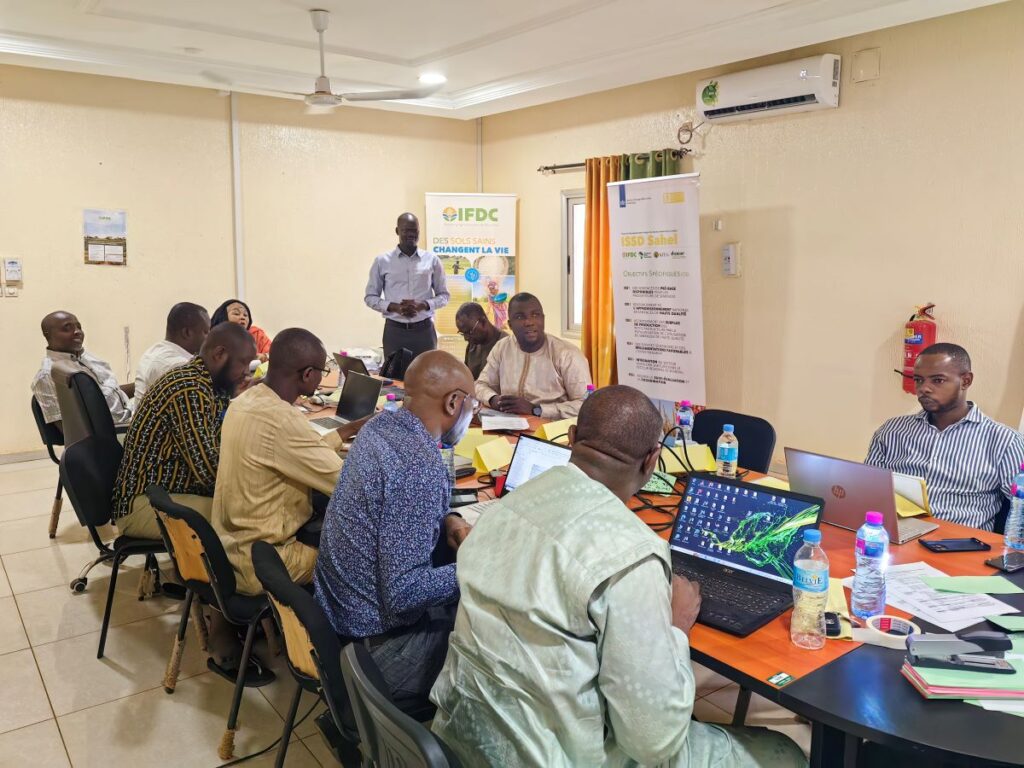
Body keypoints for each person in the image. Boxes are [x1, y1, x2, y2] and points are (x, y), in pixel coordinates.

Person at [430, 386, 807, 767]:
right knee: (786, 753)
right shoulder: (631, 554)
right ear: (652, 460)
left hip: (468, 738)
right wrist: (675, 628)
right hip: (557, 758)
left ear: (573, 437)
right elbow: (654, 743)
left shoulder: (502, 511)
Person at [314, 350, 474, 715]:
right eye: (472, 404)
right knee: (494, 639)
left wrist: (446, 518)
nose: (472, 413)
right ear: (453, 401)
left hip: (338, 622)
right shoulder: (419, 463)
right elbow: (404, 594)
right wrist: (480, 565)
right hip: (376, 653)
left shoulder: (379, 429)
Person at [213, 328, 364, 596]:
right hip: (266, 563)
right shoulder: (283, 420)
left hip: (229, 551)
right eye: (322, 370)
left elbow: (294, 449)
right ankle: (336, 635)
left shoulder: (245, 401)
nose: (322, 376)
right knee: (363, 560)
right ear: (307, 374)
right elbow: (350, 486)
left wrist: (343, 432)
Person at [111, 322, 256, 540]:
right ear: (219, 354)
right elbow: (209, 472)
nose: (246, 372)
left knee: (253, 501)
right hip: (144, 504)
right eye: (243, 363)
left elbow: (222, 439)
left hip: (172, 490)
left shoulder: (209, 384)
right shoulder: (188, 388)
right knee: (250, 515)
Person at [867, 343, 1024, 530]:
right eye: (918, 380)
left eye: (937, 380)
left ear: (965, 381)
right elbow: (868, 490)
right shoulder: (892, 431)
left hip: (961, 548)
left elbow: (1020, 510)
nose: (924, 388)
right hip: (897, 537)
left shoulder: (1004, 441)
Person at [475, 292, 592, 418]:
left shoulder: (568, 354)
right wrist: (493, 399)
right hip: (508, 425)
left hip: (551, 431)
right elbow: (480, 385)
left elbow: (587, 404)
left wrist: (537, 410)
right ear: (510, 325)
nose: (529, 322)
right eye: (520, 317)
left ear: (543, 319)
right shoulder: (502, 348)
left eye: (535, 315)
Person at [364, 213, 450, 360]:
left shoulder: (432, 261)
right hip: (395, 331)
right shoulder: (382, 261)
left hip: (424, 332)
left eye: (414, 230)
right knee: (395, 379)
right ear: (397, 231)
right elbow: (370, 297)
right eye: (406, 230)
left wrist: (424, 304)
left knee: (427, 378)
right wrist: (394, 307)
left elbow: (444, 295)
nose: (411, 234)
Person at [31, 310, 133, 431]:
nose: (77, 332)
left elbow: (108, 395)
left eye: (79, 327)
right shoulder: (49, 375)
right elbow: (70, 432)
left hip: (129, 417)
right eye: (67, 328)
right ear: (48, 335)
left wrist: (144, 384)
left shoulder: (86, 358)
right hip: (115, 432)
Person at [133, 302, 210, 405]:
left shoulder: (154, 351)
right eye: (206, 332)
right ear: (187, 333)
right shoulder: (176, 365)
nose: (209, 338)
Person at [455, 301, 506, 379]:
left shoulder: (506, 346)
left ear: (483, 322)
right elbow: (467, 378)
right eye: (462, 333)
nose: (466, 338)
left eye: (469, 332)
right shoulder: (473, 345)